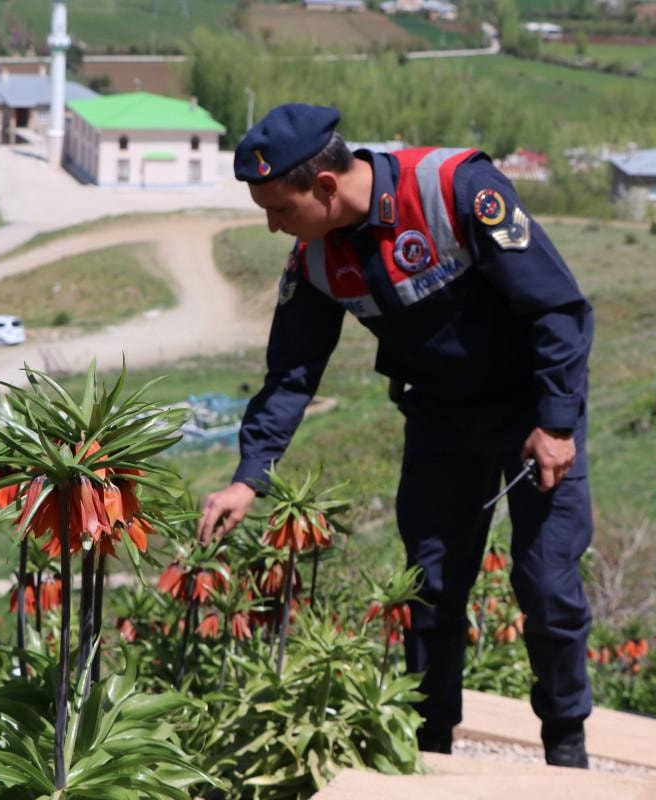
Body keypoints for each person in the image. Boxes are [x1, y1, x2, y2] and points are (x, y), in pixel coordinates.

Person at [196, 104, 595, 768]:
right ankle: (429, 744)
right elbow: (291, 373)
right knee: (429, 588)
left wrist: (556, 423)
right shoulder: (316, 258)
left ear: (326, 186)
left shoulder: (454, 190)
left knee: (547, 587)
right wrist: (248, 476)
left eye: (281, 209)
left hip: (533, 414)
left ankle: (566, 743)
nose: (273, 225)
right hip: (440, 420)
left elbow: (558, 308)